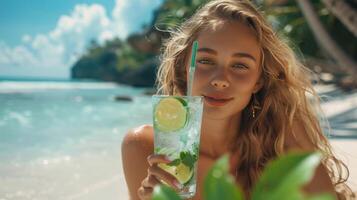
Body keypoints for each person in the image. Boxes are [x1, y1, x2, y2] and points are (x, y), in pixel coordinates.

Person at [121, 0, 354, 199]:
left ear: (259, 81)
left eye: (240, 65)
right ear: (184, 69)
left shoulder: (282, 137)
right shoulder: (144, 147)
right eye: (205, 61)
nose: (221, 79)